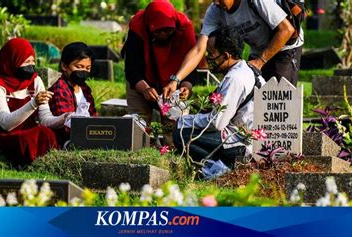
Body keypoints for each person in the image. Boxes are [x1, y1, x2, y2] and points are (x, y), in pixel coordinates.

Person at [164, 0, 303, 99]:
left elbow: (286, 30)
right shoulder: (215, 11)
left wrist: (260, 62)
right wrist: (176, 80)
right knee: (252, 99)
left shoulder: (255, 1)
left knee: (279, 101)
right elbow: (199, 49)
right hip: (258, 51)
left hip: (284, 48)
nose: (216, 3)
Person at [173, 27, 265, 169]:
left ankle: (217, 168)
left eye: (211, 53)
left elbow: (217, 122)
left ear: (226, 55)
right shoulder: (245, 69)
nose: (208, 58)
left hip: (240, 142)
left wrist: (183, 120)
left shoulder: (234, 79)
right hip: (243, 134)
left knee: (181, 133)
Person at [0, 38, 65, 166]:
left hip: (30, 133)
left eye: (33, 61)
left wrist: (65, 118)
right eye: (26, 62)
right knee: (27, 139)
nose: (31, 66)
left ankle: (48, 165)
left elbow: (45, 119)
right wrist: (33, 103)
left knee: (47, 133)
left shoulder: (35, 81)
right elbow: (5, 123)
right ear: (13, 61)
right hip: (4, 137)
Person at [122, 0, 198, 124]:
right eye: (157, 31)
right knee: (139, 118)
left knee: (174, 122)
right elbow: (132, 70)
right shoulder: (137, 29)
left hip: (175, 80)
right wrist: (145, 89)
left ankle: (169, 144)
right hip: (142, 80)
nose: (163, 34)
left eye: (168, 30)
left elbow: (191, 64)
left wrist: (186, 87)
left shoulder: (184, 28)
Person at [48, 42, 97, 145]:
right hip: (69, 139)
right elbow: (66, 124)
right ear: (64, 66)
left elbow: (93, 116)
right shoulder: (60, 89)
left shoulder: (85, 89)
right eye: (79, 67)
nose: (83, 71)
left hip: (89, 135)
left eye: (87, 68)